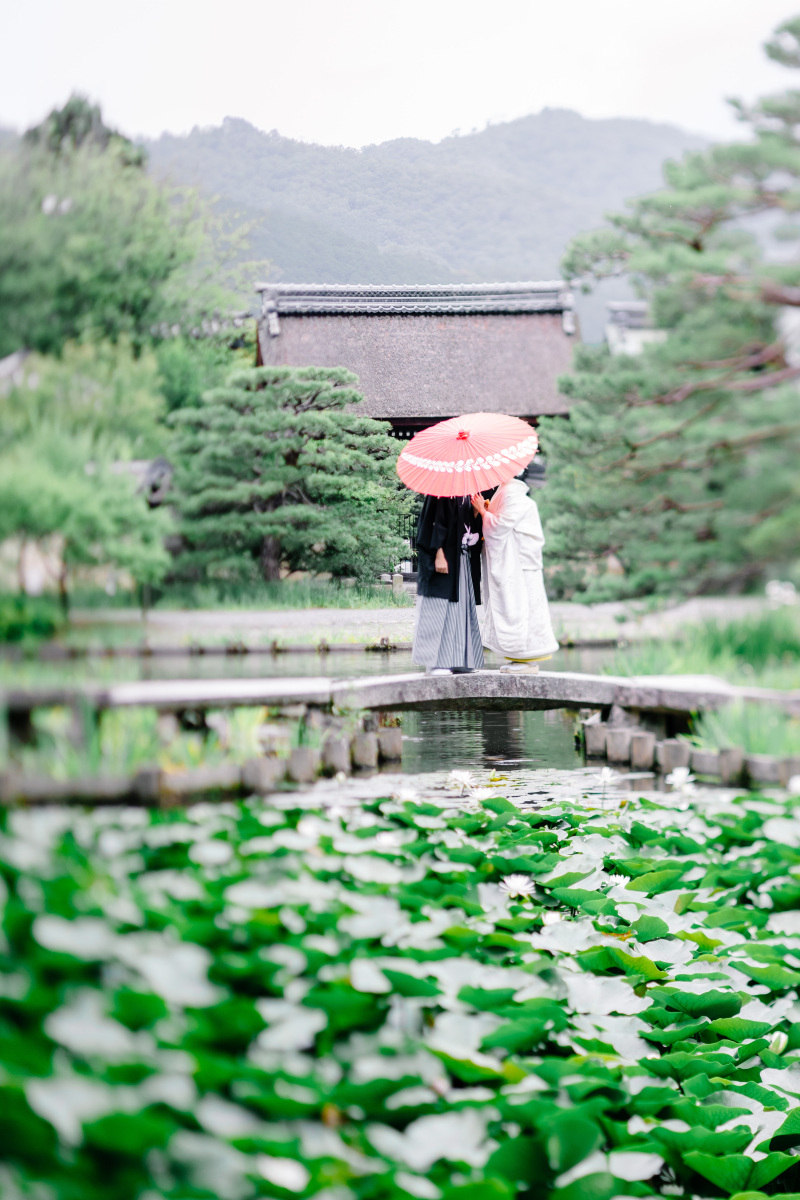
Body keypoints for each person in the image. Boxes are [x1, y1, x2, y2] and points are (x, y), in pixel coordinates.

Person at [471, 468, 558, 673]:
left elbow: (499, 526)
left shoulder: (510, 493)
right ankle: (521, 658)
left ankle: (525, 658)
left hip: (518, 565)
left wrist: (483, 511)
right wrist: (487, 509)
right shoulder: (508, 491)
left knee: (521, 607)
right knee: (522, 606)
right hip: (520, 564)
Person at [411, 495, 484, 674]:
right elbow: (429, 525)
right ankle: (436, 662)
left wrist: (475, 511)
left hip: (460, 559)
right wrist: (438, 553)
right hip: (444, 558)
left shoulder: (465, 494)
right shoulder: (439, 493)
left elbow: (466, 528)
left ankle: (460, 660)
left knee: (461, 609)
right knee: (438, 609)